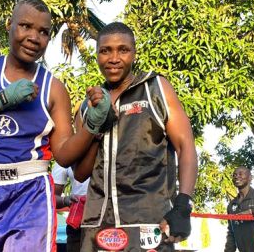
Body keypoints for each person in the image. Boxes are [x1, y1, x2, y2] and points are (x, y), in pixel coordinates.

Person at [0, 0, 110, 252]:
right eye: (26, 26)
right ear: (10, 25)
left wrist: (92, 127)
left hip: (29, 195)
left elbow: (64, 155)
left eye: (43, 32)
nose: (34, 37)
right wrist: (2, 100)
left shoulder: (54, 89)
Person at [73, 22, 198, 252]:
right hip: (97, 226)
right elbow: (80, 173)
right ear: (97, 54)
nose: (114, 58)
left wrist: (182, 204)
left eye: (123, 49)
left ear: (134, 53)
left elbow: (185, 145)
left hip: (149, 222)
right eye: (105, 50)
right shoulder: (88, 105)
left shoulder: (155, 87)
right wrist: (97, 126)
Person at [52, 162, 89, 252]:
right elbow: (52, 197)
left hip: (111, 217)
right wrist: (66, 200)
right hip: (78, 222)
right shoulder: (66, 157)